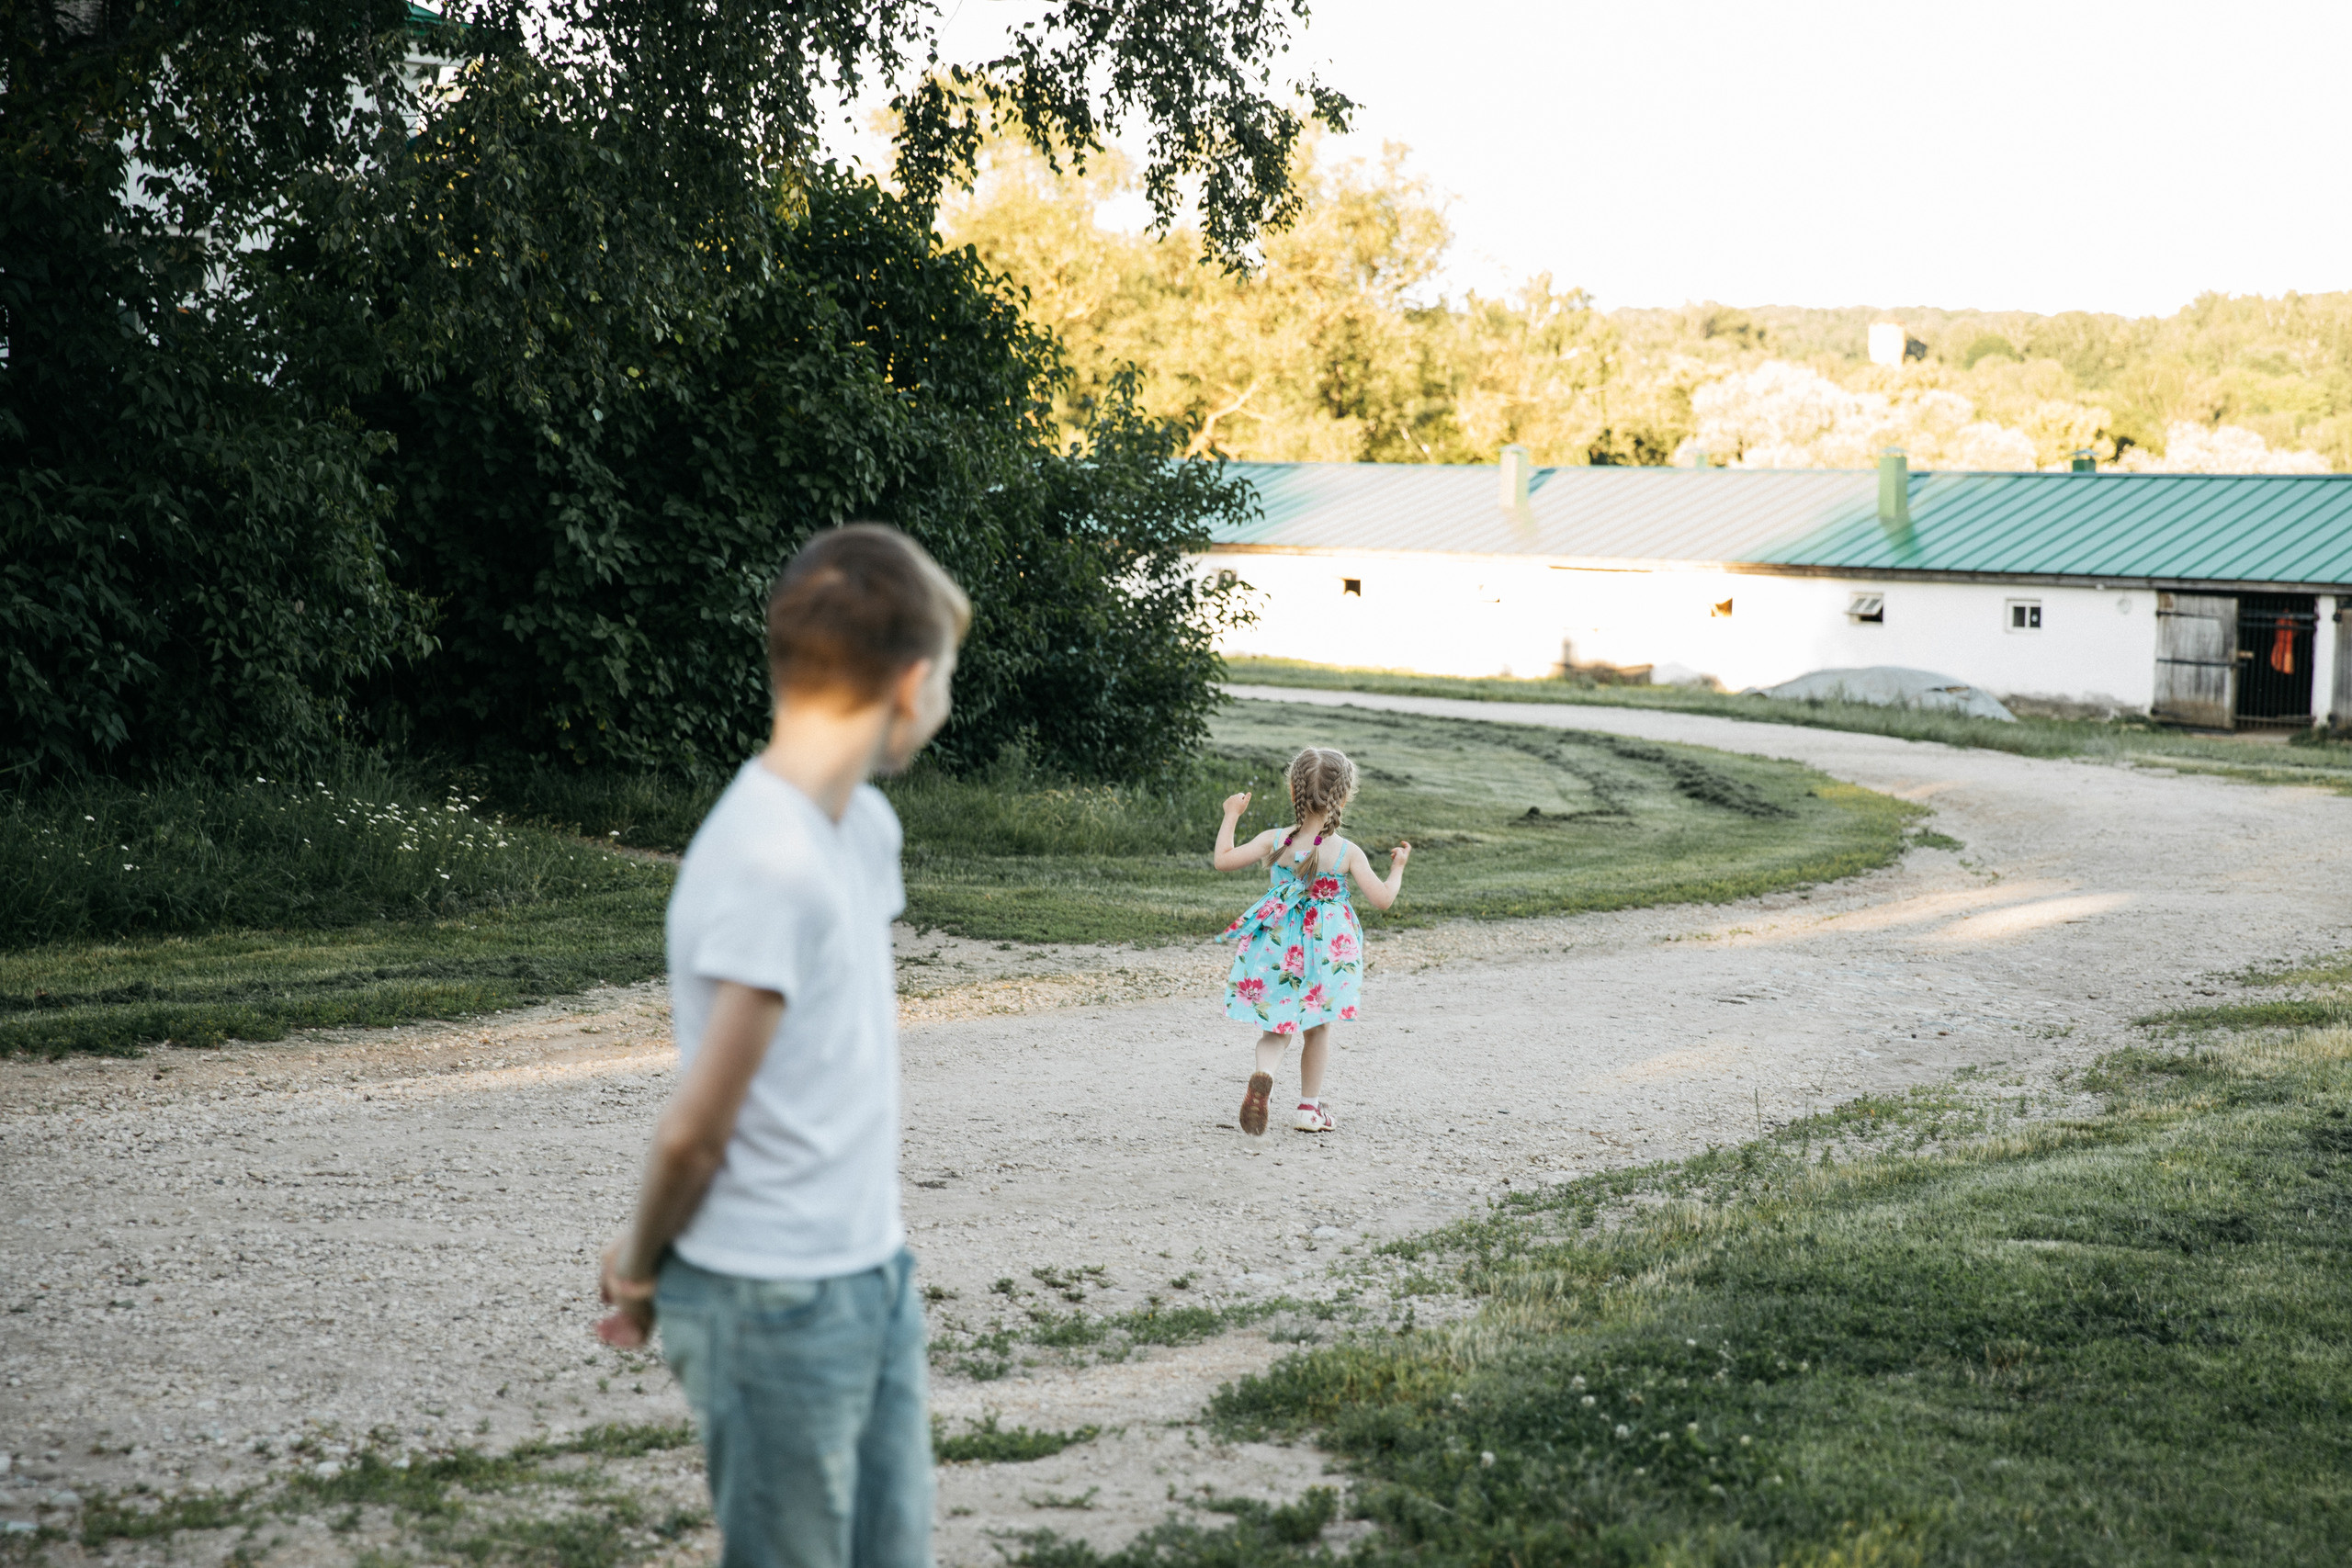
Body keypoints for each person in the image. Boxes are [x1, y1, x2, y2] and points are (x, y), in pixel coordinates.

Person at [593, 524, 968, 1568]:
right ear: (910, 685)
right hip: (766, 1295)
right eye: (947, 674)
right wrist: (638, 1266)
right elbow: (696, 1132)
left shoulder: (862, 829)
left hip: (870, 1269)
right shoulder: (766, 858)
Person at [1210, 746, 1410, 1136]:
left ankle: (1265, 1074)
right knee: (1316, 1028)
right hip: (1325, 950)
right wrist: (1398, 868)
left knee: (1276, 1029)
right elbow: (1383, 899)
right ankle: (1309, 1109)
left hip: (1278, 947)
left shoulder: (1275, 840)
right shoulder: (1347, 852)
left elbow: (1223, 859)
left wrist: (1231, 814)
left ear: (1293, 791)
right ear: (1344, 796)